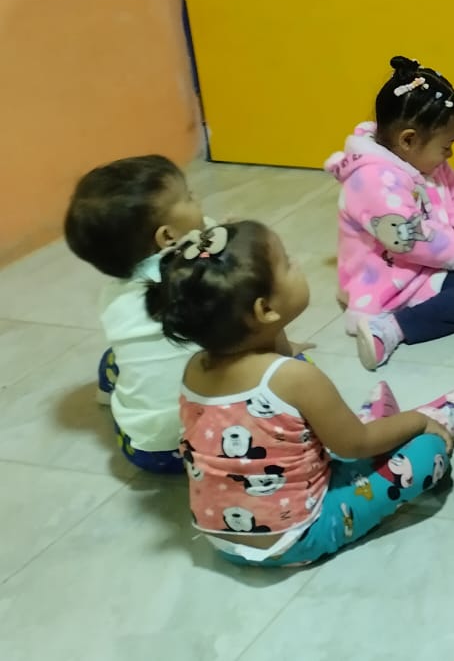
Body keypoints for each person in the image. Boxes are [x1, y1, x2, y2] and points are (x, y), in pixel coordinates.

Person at [148, 222, 454, 567]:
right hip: (298, 537)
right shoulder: (294, 377)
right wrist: (419, 421)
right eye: (287, 263)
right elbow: (354, 445)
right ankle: (444, 416)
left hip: (221, 539)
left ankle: (380, 423)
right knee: (428, 451)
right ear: (264, 310)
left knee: (331, 434)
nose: (298, 264)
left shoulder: (194, 368)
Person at [64, 156, 295, 474]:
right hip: (227, 441)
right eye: (187, 197)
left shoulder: (113, 299)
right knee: (283, 363)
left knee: (115, 359)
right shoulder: (206, 284)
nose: (196, 197)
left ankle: (108, 393)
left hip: (151, 451)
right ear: (168, 237)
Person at [326, 56, 454, 370]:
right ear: (409, 140)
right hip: (395, 281)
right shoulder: (372, 180)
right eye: (446, 145)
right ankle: (391, 328)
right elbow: (412, 241)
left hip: (431, 265)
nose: (450, 153)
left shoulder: (424, 162)